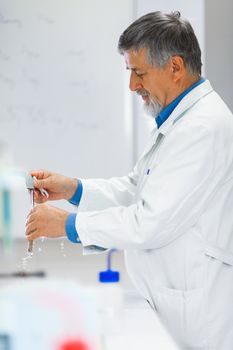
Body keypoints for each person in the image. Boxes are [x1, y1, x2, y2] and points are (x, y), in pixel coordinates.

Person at [26, 11, 233, 349]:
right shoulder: (179, 121)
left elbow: (149, 220)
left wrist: (69, 225)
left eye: (139, 73)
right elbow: (137, 187)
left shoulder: (203, 128)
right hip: (176, 304)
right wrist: (74, 189)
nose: (132, 85)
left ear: (176, 68)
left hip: (200, 316)